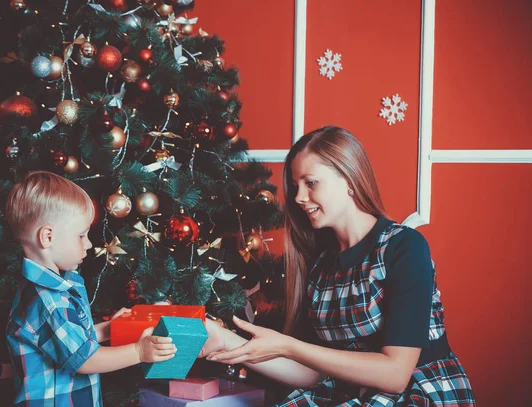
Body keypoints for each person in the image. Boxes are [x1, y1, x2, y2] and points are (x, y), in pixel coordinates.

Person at [201, 127, 476, 406]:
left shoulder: (405, 247)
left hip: (415, 394)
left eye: (311, 183)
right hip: (352, 393)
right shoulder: (322, 267)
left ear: (349, 179)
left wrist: (289, 346)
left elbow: (396, 374)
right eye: (296, 186)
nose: (298, 197)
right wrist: (225, 340)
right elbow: (314, 372)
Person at [5, 171, 177, 406]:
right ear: (47, 237)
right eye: (81, 235)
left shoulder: (51, 289)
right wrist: (139, 352)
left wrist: (108, 330)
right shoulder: (49, 299)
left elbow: (69, 341)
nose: (88, 244)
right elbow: (84, 359)